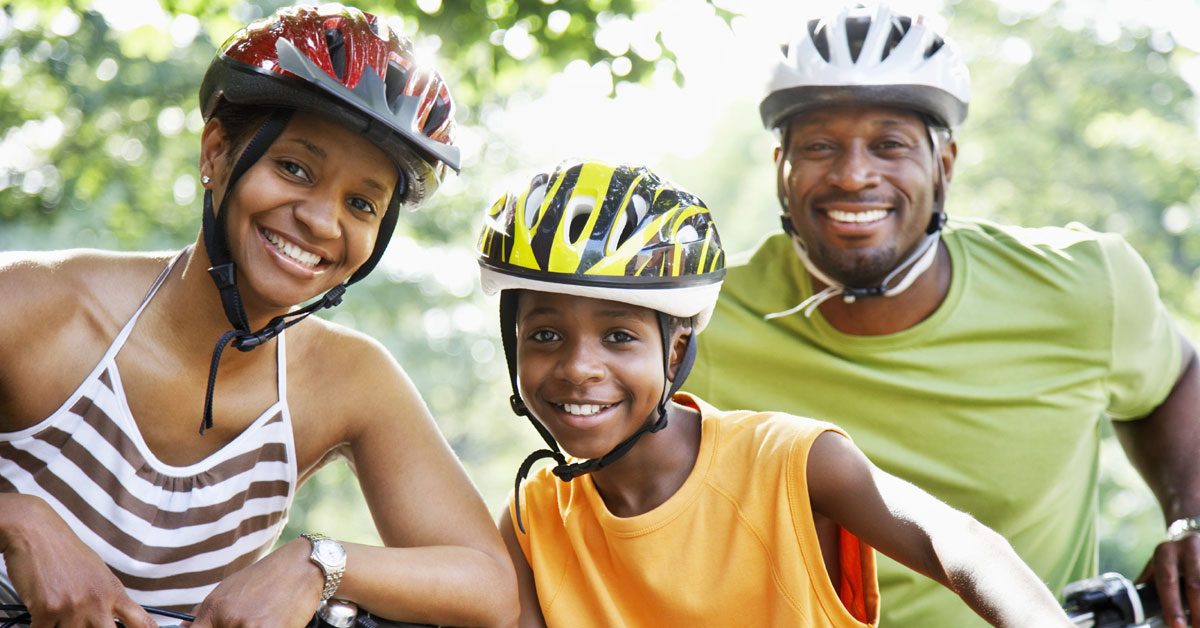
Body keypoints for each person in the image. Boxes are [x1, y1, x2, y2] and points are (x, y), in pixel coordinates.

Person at [0, 4, 517, 627]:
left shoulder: (347, 380)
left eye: (360, 203)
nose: (322, 221)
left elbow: (488, 587)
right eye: (294, 168)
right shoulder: (35, 304)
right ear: (216, 152)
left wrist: (317, 563)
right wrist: (20, 520)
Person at [684, 4, 1200, 627]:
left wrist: (1190, 516)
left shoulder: (1086, 288)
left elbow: (1174, 384)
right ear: (781, 173)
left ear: (944, 167)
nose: (853, 174)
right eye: (820, 145)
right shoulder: (695, 319)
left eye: (889, 144)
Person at [476, 159, 1074, 627]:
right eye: (546, 334)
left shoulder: (790, 460)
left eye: (619, 336)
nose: (579, 367)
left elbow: (956, 541)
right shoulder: (535, 516)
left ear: (677, 351)